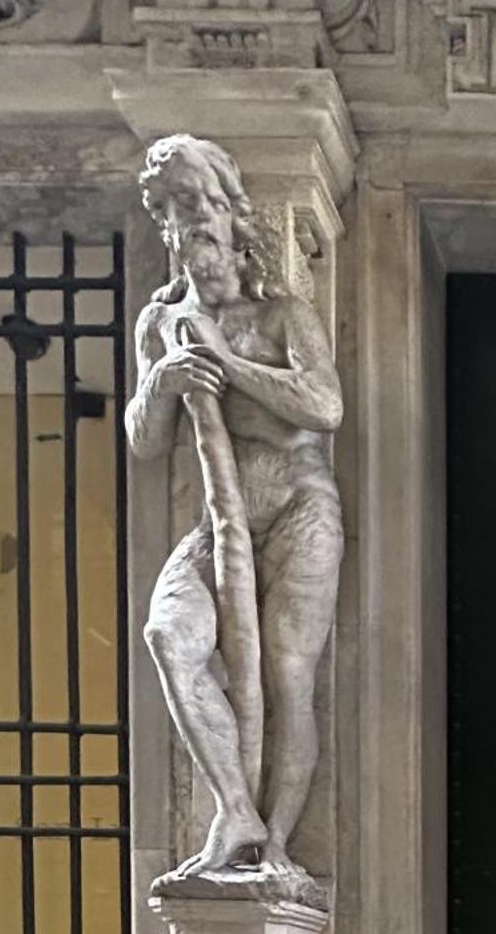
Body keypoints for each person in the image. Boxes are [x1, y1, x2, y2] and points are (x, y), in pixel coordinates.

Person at [126, 133, 344, 893]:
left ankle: (278, 844)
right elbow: (143, 441)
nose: (195, 224)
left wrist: (230, 362)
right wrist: (162, 380)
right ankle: (234, 812)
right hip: (217, 526)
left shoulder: (280, 315)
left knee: (288, 676)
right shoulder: (160, 322)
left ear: (231, 213)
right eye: (177, 209)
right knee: (169, 637)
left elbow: (324, 406)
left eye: (203, 204)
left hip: (298, 512)